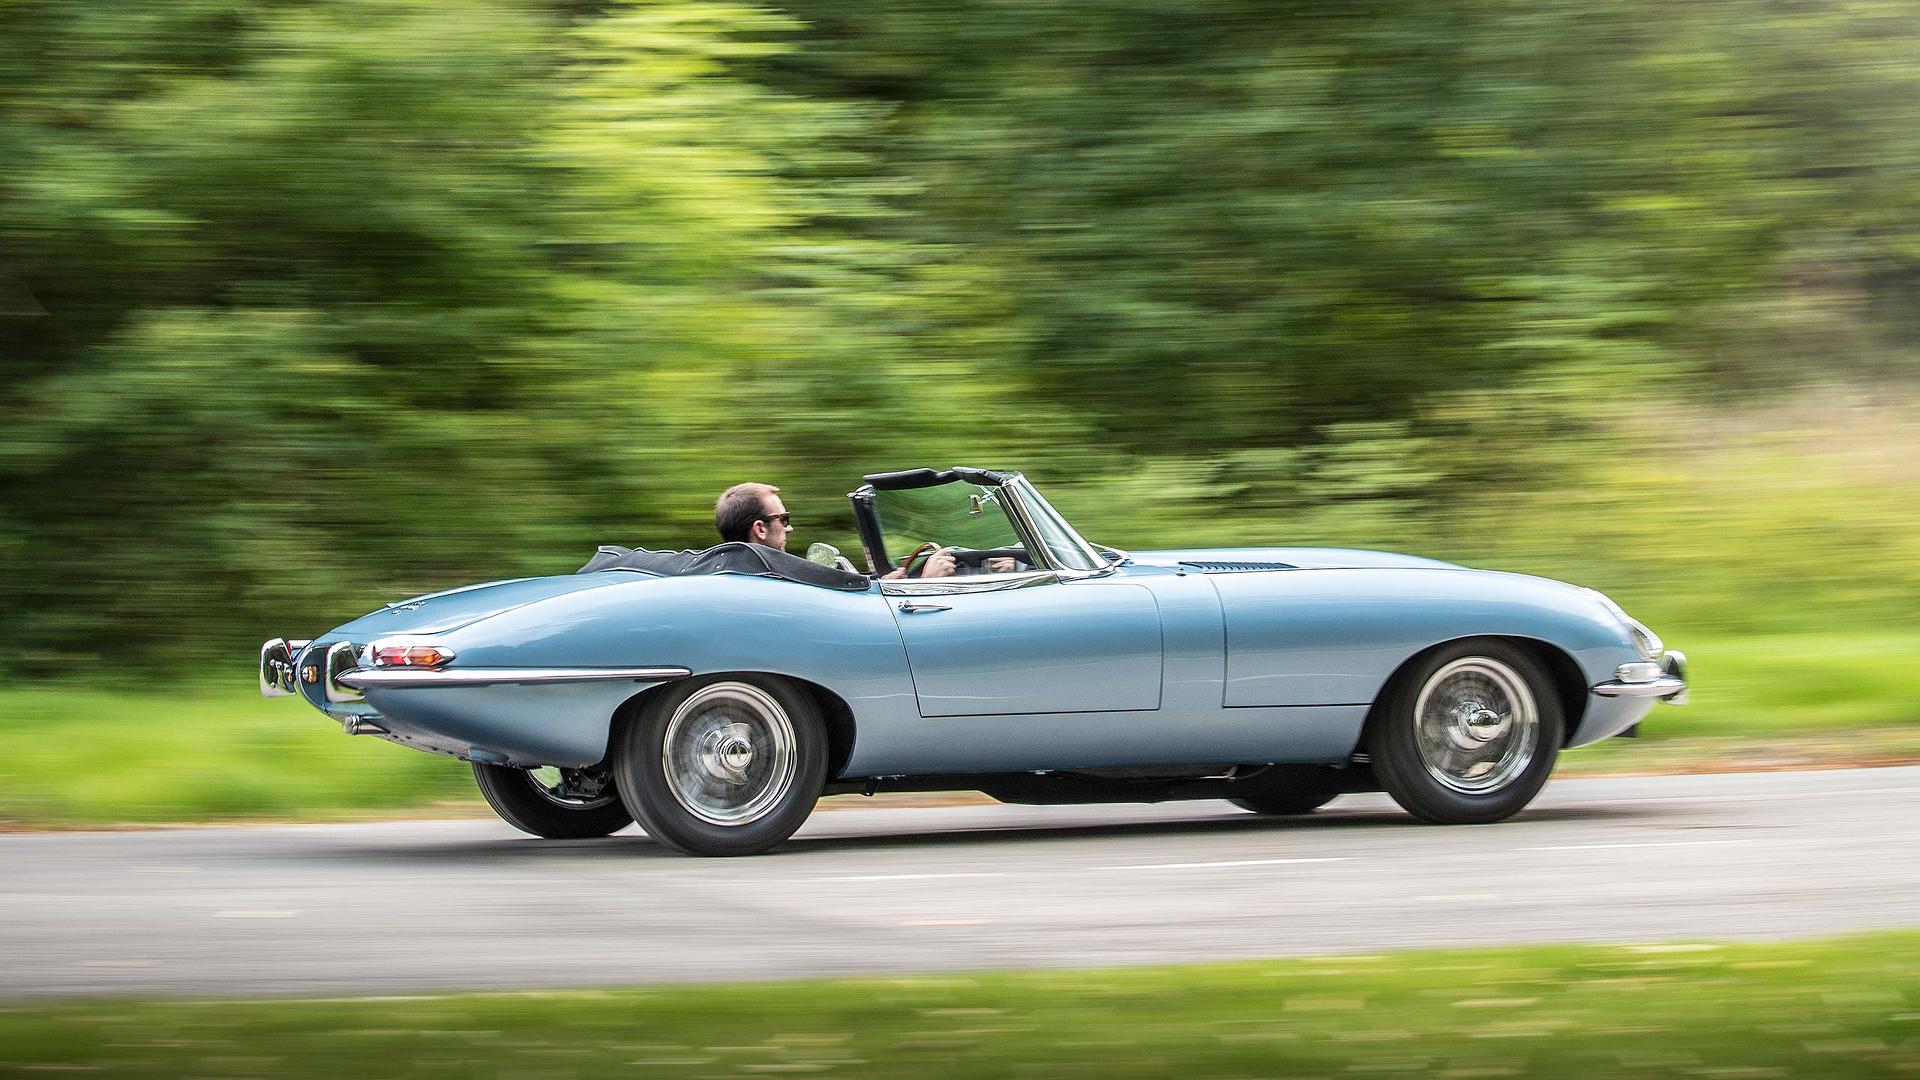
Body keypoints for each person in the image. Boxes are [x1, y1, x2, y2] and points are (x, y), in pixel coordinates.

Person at [714, 482, 956, 579]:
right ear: (760, 529)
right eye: (784, 519)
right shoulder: (776, 579)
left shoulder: (733, 574)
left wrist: (883, 584)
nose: (790, 528)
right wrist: (927, 581)